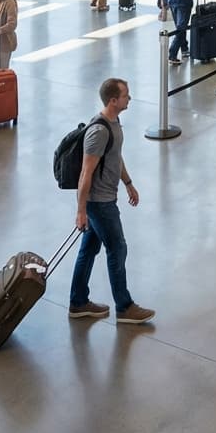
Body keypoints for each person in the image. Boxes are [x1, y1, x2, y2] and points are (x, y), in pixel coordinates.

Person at [69, 77, 155, 324]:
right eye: (126, 95)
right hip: (100, 203)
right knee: (117, 248)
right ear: (113, 100)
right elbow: (86, 173)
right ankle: (124, 306)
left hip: (106, 198)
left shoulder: (114, 122)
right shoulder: (98, 131)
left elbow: (115, 157)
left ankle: (78, 302)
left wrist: (128, 183)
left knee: (89, 249)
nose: (130, 98)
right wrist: (81, 211)